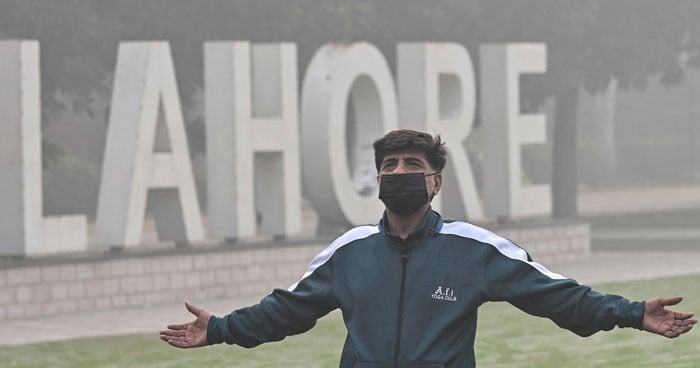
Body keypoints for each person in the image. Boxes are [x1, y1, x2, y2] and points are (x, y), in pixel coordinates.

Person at [160, 129, 696, 367]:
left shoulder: (476, 250)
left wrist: (629, 313)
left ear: (435, 182)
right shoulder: (349, 251)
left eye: (412, 166)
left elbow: (557, 296)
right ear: (377, 179)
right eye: (389, 166)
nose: (399, 174)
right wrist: (221, 330)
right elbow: (286, 311)